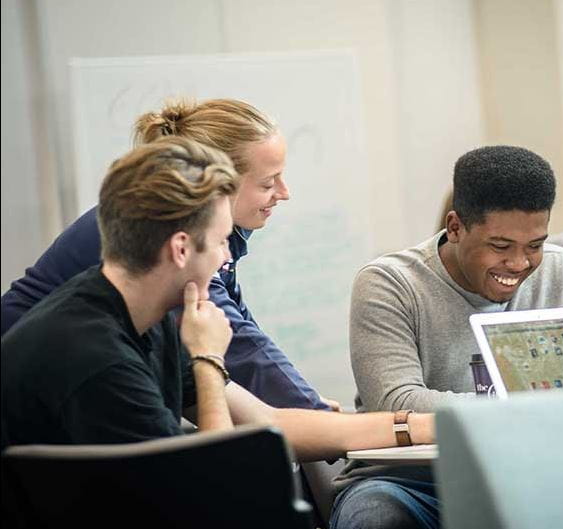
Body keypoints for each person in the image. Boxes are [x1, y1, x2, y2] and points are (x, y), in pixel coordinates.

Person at [1, 136, 435, 461]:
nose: (228, 256)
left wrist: (424, 426)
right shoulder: (99, 360)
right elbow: (213, 490)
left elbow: (267, 422)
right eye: (223, 241)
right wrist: (208, 362)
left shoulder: (141, 316)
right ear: (181, 249)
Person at [0, 98, 337, 411]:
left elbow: (241, 330)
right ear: (220, 181)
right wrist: (312, 409)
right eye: (267, 183)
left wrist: (306, 401)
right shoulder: (167, 231)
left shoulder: (217, 232)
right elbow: (242, 349)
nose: (284, 193)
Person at [330, 145, 563, 529]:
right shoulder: (389, 284)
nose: (519, 264)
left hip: (529, 471)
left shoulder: (560, 269)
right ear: (456, 226)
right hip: (411, 482)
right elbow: (397, 403)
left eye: (534, 244)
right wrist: (525, 407)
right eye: (500, 245)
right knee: (377, 526)